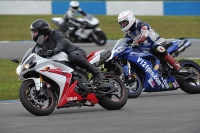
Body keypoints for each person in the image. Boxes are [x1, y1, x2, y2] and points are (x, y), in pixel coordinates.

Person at [30, 19, 104, 86]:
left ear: (42, 31)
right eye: (33, 32)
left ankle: (97, 73)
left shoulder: (55, 34)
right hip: (63, 61)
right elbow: (35, 52)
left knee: (72, 56)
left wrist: (55, 50)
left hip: (76, 52)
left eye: (35, 32)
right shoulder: (42, 44)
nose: (34, 35)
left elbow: (62, 42)